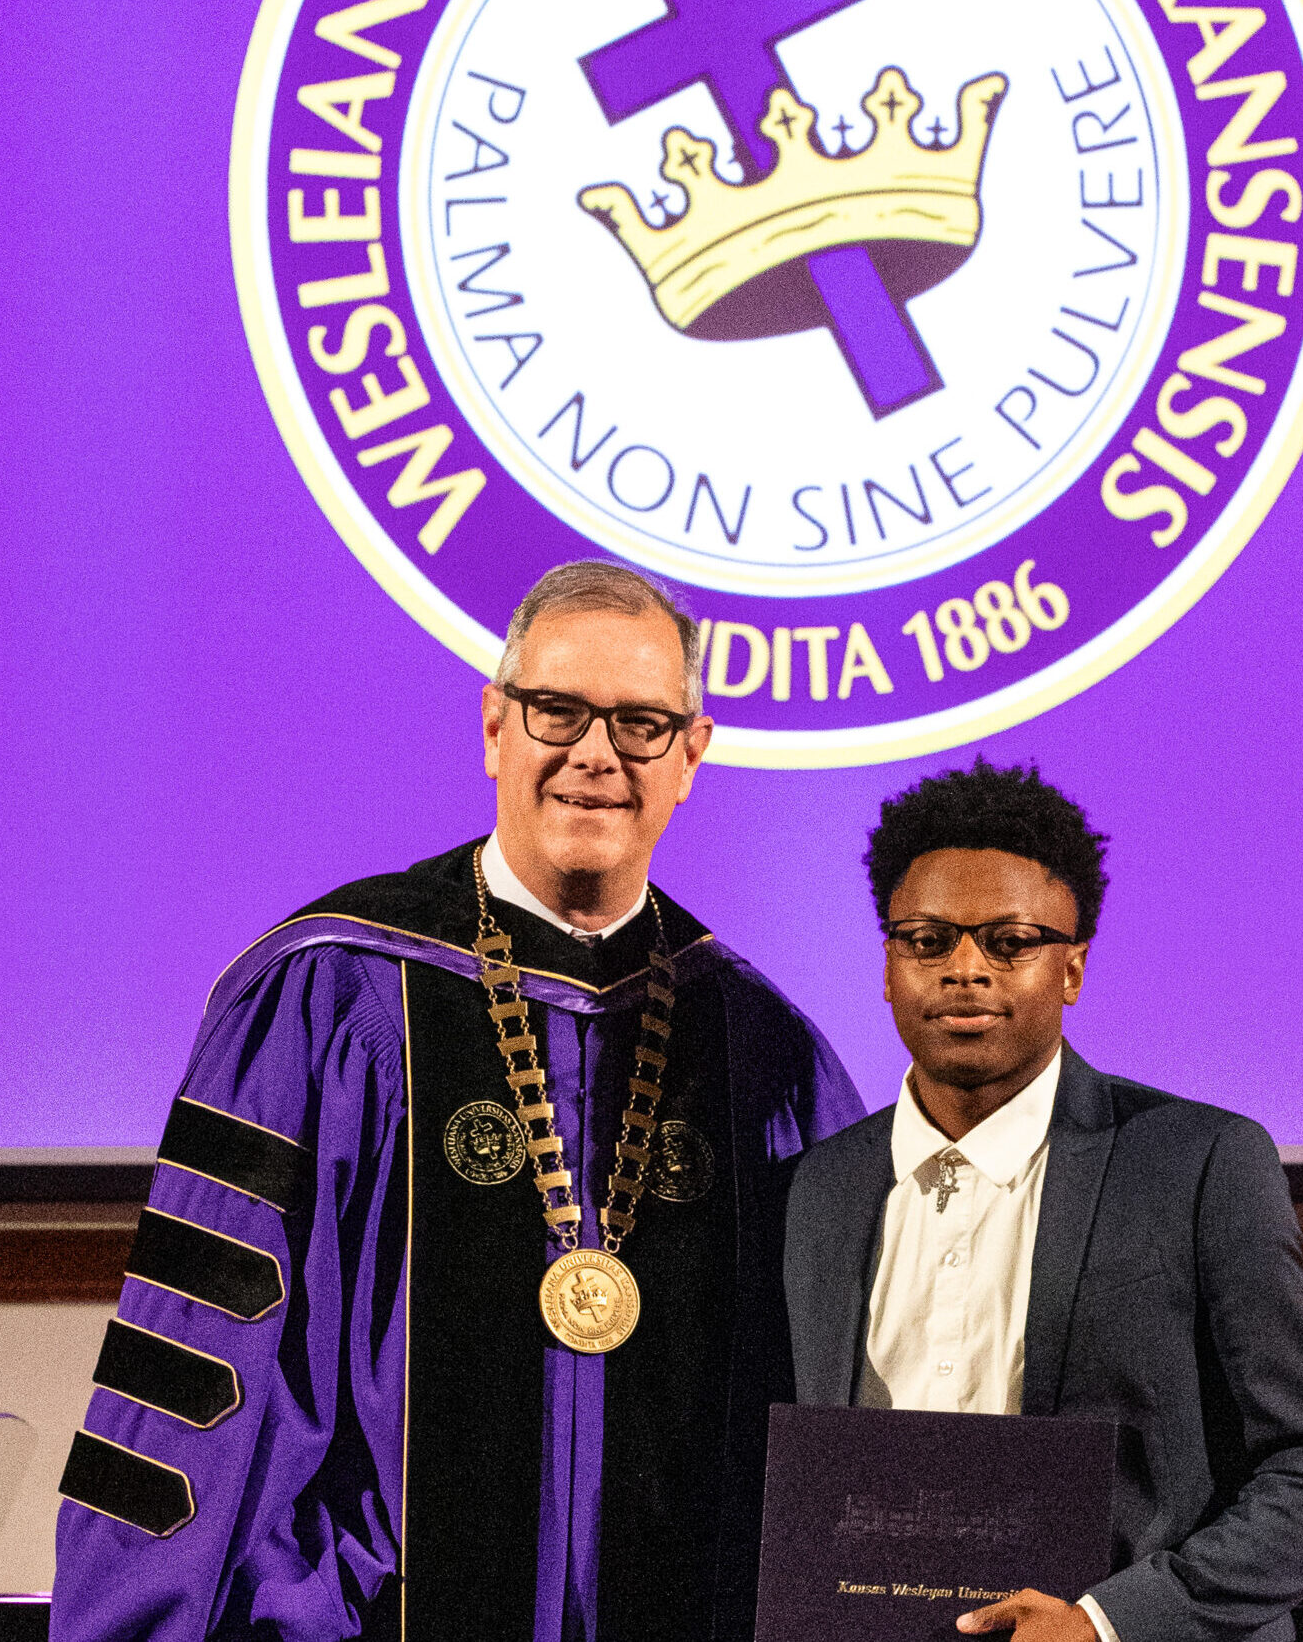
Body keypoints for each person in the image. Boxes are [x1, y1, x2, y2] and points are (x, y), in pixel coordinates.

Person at [51, 561, 863, 1642]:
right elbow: (195, 1371)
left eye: (640, 724)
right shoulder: (331, 996)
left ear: (691, 756)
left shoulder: (761, 1050)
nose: (596, 755)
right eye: (557, 711)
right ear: (495, 728)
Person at [784, 760, 1303, 1642]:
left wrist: (1107, 1623)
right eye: (928, 938)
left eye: (1009, 940)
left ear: (1071, 968)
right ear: (886, 964)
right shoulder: (815, 1189)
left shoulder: (1200, 1163)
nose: (965, 970)